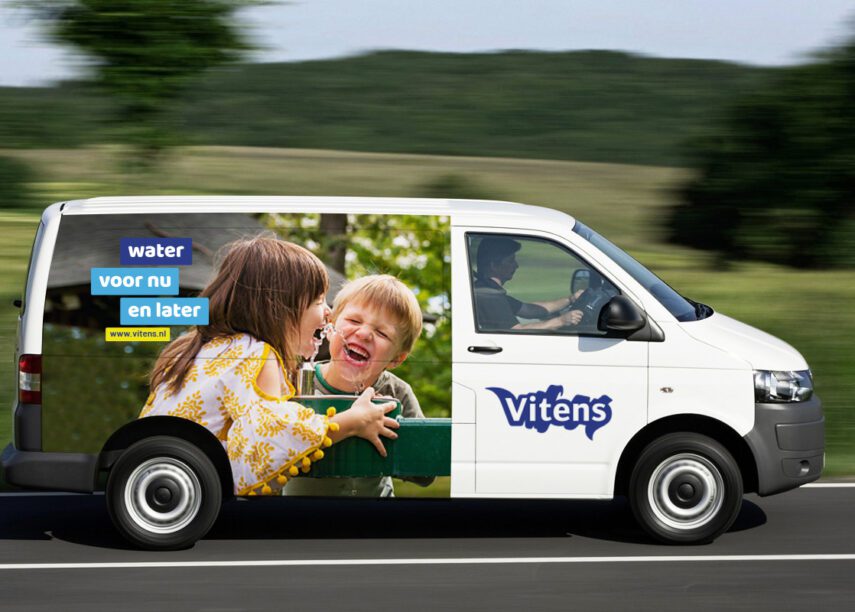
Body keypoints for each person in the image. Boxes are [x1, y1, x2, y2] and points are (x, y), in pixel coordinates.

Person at [140, 235, 399, 496]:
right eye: (319, 301)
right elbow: (274, 436)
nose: (328, 313)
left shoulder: (204, 348)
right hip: (195, 490)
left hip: (158, 477)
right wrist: (353, 421)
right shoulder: (257, 355)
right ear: (282, 308)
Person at [285, 274, 434, 497]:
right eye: (354, 321)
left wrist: (391, 448)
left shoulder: (397, 394)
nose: (364, 334)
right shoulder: (295, 380)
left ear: (396, 359)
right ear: (331, 326)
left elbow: (425, 472)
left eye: (382, 333)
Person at [474, 236, 584, 331]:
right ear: (494, 266)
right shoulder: (488, 297)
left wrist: (570, 299)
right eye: (511, 261)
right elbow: (516, 332)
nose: (516, 265)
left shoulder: (489, 291)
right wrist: (561, 321)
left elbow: (530, 310)